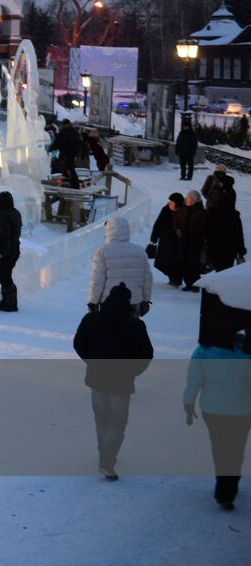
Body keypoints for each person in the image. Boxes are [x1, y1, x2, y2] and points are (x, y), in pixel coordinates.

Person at [73, 283, 154, 480]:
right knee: (118, 422)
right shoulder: (135, 325)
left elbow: (78, 344)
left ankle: (104, 452)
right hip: (122, 382)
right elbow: (146, 354)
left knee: (101, 418)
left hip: (97, 378)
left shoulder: (91, 319)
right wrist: (132, 372)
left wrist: (91, 361)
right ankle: (107, 462)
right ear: (128, 302)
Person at [183, 331, 251, 511]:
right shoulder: (246, 352)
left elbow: (193, 381)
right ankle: (229, 487)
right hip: (241, 410)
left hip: (212, 410)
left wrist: (188, 404)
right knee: (236, 448)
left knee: (219, 446)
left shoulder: (203, 351)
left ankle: (224, 487)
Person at [88, 217, 154, 316]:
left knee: (110, 330)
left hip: (108, 302)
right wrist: (145, 300)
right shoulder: (140, 251)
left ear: (109, 231)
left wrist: (93, 302)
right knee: (130, 330)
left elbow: (97, 280)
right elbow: (147, 279)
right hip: (133, 301)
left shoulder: (102, 252)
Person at [0, 190, 23, 312]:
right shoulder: (15, 213)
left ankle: (9, 304)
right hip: (14, 248)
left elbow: (3, 234)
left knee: (3, 277)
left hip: (5, 250)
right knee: (6, 276)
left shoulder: (4, 215)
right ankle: (8, 302)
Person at [204, 190, 247, 272]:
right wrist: (241, 250)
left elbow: (207, 232)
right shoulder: (234, 215)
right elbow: (238, 234)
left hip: (215, 247)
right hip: (229, 249)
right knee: (227, 270)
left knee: (217, 269)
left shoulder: (212, 214)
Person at [149, 193, 184, 287]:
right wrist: (154, 238)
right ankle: (172, 278)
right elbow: (158, 224)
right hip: (164, 241)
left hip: (176, 243)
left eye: (172, 202)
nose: (169, 203)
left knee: (174, 262)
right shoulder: (165, 210)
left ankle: (176, 280)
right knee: (162, 262)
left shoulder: (182, 212)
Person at [178, 190, 208, 292]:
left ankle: (195, 284)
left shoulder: (201, 212)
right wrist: (178, 231)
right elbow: (176, 222)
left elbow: (204, 228)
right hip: (184, 241)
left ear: (194, 200)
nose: (186, 199)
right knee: (185, 263)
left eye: (189, 198)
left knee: (193, 264)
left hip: (195, 242)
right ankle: (188, 283)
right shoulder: (184, 209)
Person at [176, 117, 199, 181]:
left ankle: (189, 177)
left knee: (190, 166)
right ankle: (183, 176)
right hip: (182, 152)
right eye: (184, 126)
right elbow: (178, 142)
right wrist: (177, 150)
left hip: (189, 153)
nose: (185, 127)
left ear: (189, 127)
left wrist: (193, 151)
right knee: (182, 165)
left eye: (186, 126)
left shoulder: (192, 134)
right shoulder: (181, 133)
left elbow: (195, 144)